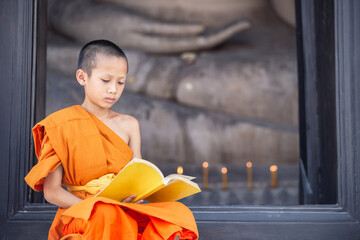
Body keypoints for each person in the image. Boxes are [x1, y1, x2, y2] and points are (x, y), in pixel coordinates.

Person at [25, 39, 199, 240]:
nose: (113, 89)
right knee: (107, 215)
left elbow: (140, 175)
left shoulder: (129, 125)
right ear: (82, 77)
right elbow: (52, 192)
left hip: (123, 206)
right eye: (105, 80)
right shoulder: (60, 125)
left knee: (177, 213)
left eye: (120, 82)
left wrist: (141, 195)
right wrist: (95, 205)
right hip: (85, 211)